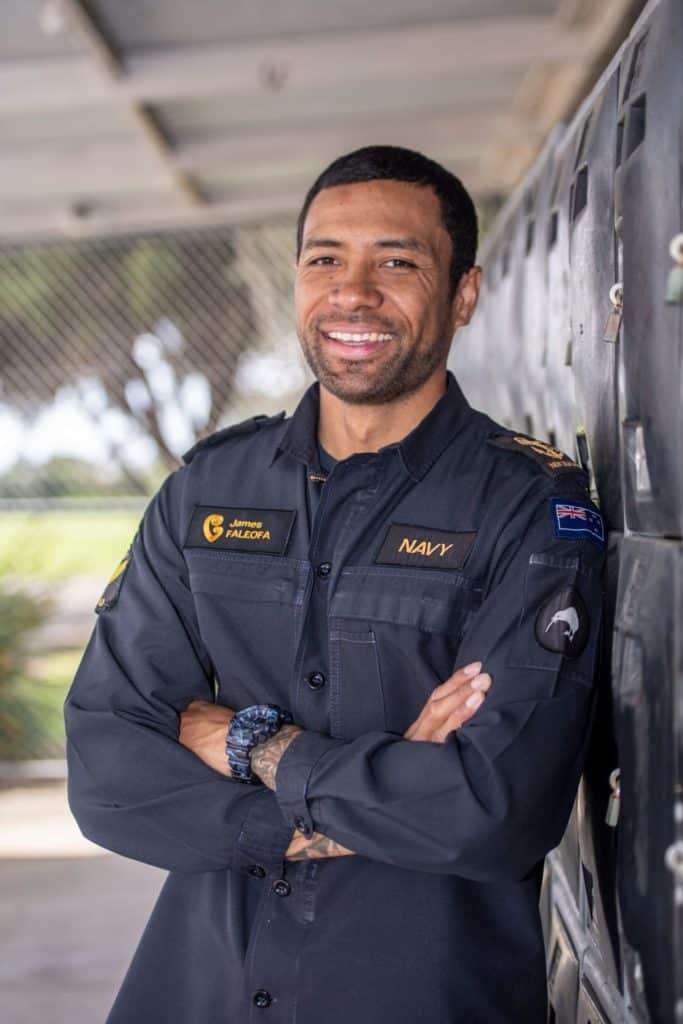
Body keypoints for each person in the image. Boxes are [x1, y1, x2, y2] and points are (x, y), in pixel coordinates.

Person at [64, 145, 606, 1024]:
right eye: (325, 260)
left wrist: (250, 744)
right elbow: (106, 770)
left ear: (463, 294)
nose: (352, 293)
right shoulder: (206, 490)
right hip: (198, 993)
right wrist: (361, 802)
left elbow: (492, 809)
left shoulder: (529, 506)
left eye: (397, 262)